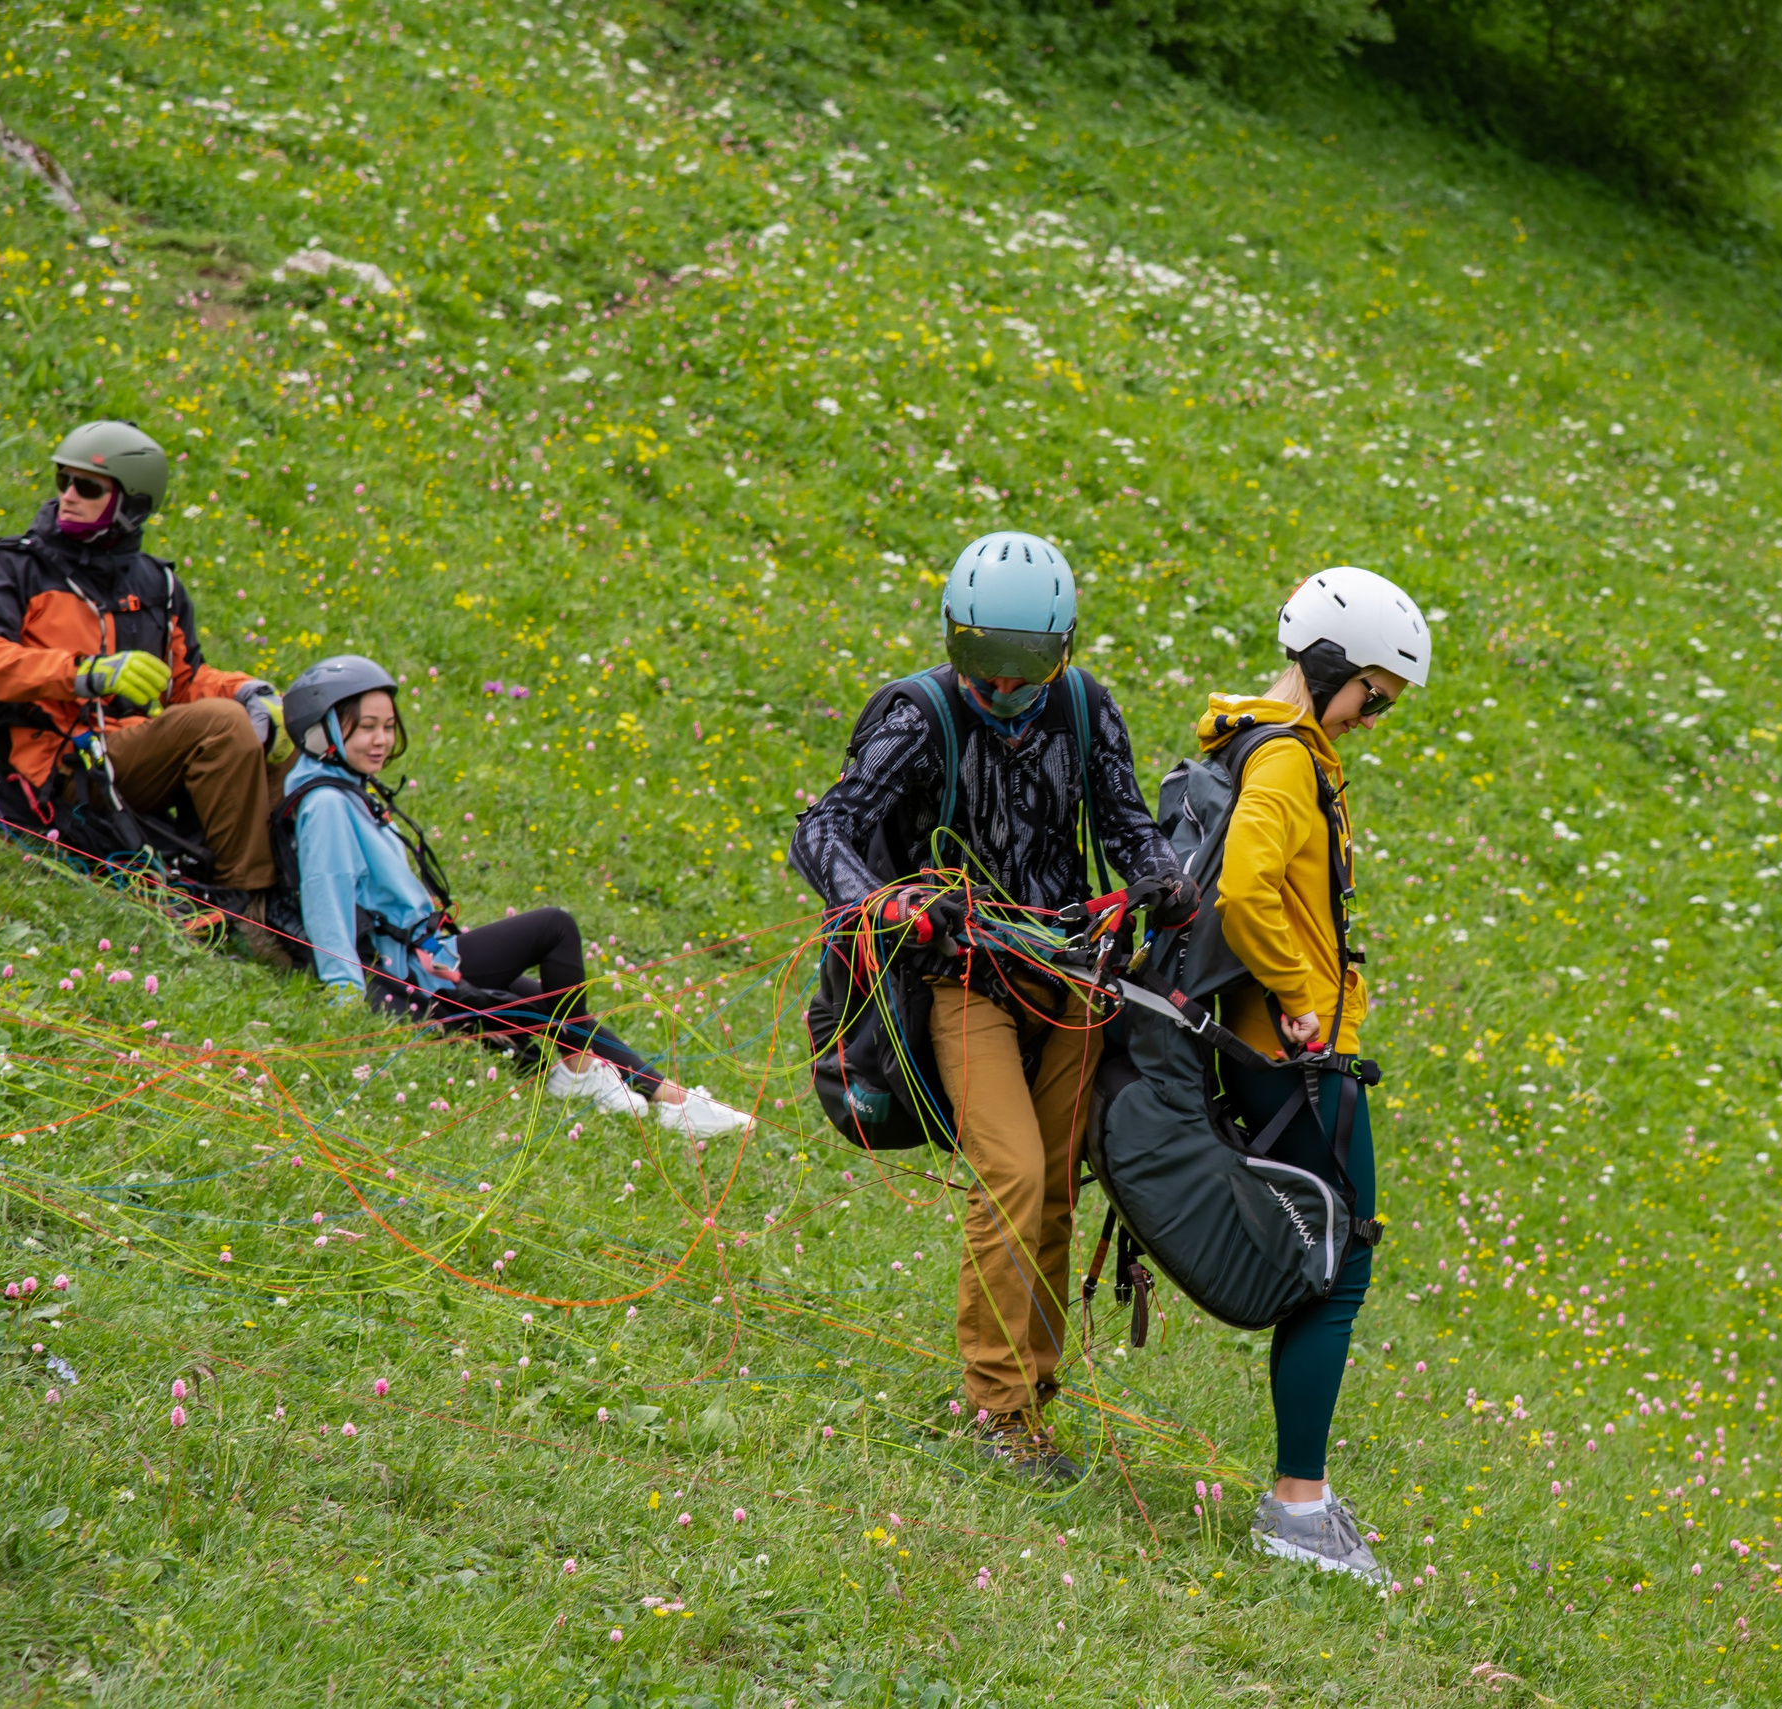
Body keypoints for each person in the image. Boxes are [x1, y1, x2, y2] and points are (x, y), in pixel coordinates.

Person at [791, 530, 1194, 1484]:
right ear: (952, 639)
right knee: (1009, 1172)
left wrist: (1160, 880)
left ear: (1062, 649)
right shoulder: (919, 715)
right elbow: (826, 827)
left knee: (1055, 1185)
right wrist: (882, 898)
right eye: (983, 661)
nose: (1004, 690)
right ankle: (991, 1406)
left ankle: (1033, 1403)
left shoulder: (1089, 709)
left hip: (1071, 979)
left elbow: (1130, 822)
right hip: (962, 979)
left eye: (1027, 669)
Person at [1202, 565, 1429, 1584]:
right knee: (1337, 1270)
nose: (1373, 717)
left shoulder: (1265, 739)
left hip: (1282, 1050)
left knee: (1330, 1262)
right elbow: (1246, 889)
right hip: (1299, 1055)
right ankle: (1296, 1505)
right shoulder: (1288, 762)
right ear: (1331, 664)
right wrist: (1298, 993)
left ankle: (1304, 1497)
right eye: (1370, 695)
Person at [279, 654, 752, 1139]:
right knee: (554, 927)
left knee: (540, 999)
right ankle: (594, 1077)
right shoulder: (327, 806)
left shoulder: (344, 790)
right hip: (403, 978)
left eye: (388, 726)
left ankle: (670, 1098)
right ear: (325, 731)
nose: (380, 740)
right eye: (365, 728)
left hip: (424, 962)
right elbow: (326, 902)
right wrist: (345, 1001)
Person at [0, 420, 289, 925]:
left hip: (137, 748)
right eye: (63, 480)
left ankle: (288, 896)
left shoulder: (159, 584)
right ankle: (241, 902)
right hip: (63, 760)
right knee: (219, 724)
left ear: (132, 503)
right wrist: (84, 674)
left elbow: (183, 681)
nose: (68, 495)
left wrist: (248, 692)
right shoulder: (15, 567)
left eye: (87, 486)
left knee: (286, 736)